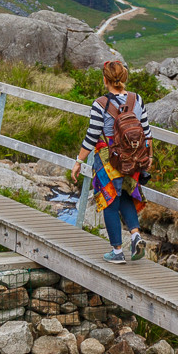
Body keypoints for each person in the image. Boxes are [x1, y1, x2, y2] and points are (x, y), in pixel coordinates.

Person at [70, 60, 151, 264]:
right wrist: (148, 158)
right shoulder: (136, 99)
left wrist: (79, 161)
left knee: (110, 201)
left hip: (109, 158)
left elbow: (92, 136)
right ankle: (135, 235)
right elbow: (147, 132)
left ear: (105, 80)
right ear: (124, 78)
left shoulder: (100, 104)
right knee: (125, 195)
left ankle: (116, 251)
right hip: (134, 158)